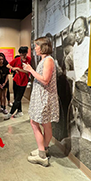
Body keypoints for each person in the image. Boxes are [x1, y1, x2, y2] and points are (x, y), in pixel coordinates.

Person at [23, 37, 59, 167]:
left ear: (42, 46)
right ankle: (43, 149)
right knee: (45, 124)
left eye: (36, 46)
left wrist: (30, 70)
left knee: (34, 123)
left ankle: (42, 155)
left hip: (44, 98)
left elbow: (45, 80)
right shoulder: (45, 60)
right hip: (43, 97)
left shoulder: (48, 60)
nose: (35, 48)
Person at [4, 47, 31, 120]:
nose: (23, 55)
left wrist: (18, 69)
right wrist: (13, 68)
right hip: (16, 80)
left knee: (18, 98)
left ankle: (10, 113)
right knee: (16, 97)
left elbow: (29, 71)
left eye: (24, 53)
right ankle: (19, 111)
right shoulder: (17, 59)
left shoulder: (29, 60)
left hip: (24, 82)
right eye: (21, 53)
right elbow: (8, 65)